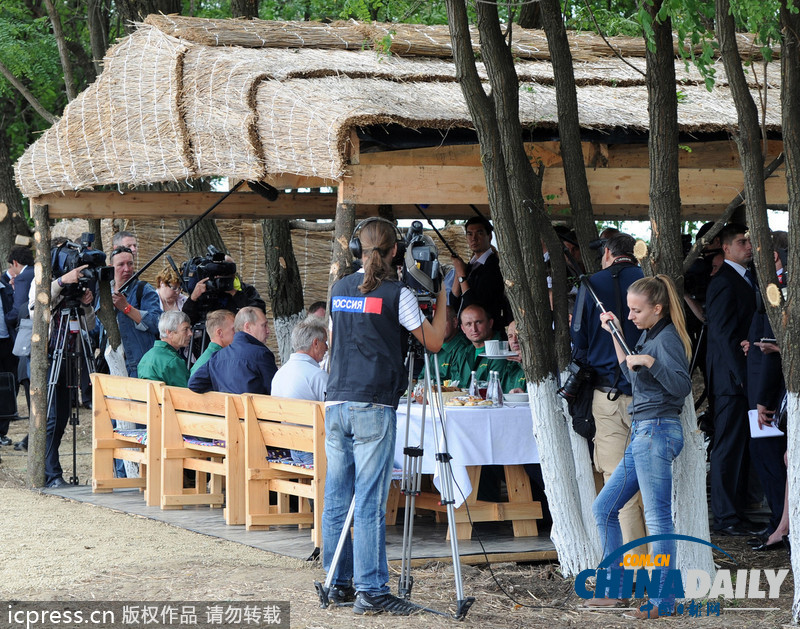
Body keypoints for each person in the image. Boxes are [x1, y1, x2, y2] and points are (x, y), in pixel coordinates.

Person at [322, 217, 447, 615]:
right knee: (371, 500)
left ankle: (337, 582)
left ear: (358, 250)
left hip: (337, 402)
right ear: (396, 252)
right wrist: (442, 294)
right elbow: (435, 342)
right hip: (374, 404)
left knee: (337, 498)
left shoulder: (338, 290)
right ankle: (372, 589)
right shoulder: (399, 295)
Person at [592, 275, 692, 619]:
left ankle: (664, 603)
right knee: (604, 508)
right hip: (643, 434)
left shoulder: (666, 341)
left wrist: (649, 362)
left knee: (658, 518)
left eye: (636, 310)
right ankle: (614, 590)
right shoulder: (651, 335)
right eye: (629, 311)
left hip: (658, 432)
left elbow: (681, 386)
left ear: (657, 308)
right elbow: (630, 371)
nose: (631, 315)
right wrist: (616, 333)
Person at [569, 232, 647, 556]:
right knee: (650, 489)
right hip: (651, 397)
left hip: (610, 394)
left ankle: (638, 570)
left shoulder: (591, 286)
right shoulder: (651, 283)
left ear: (608, 253)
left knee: (619, 487)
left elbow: (580, 345)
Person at [705, 223, 759, 536]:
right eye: (741, 242)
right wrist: (742, 378)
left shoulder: (745, 278)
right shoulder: (724, 281)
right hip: (730, 380)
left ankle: (735, 512)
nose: (748, 246)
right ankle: (725, 516)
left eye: (750, 242)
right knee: (727, 446)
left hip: (741, 376)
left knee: (741, 446)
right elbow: (724, 335)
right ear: (726, 248)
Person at [41, 263, 97, 488]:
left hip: (68, 361)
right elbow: (37, 306)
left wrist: (87, 306)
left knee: (62, 418)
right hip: (47, 361)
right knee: (52, 418)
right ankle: (51, 473)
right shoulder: (46, 285)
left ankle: (51, 469)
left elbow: (89, 325)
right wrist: (62, 282)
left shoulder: (77, 292)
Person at [270, 315, 329, 465]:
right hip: (313, 451)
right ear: (315, 343)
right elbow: (334, 419)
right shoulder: (317, 376)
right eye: (325, 342)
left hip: (290, 447)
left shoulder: (279, 374)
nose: (327, 347)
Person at [188, 306, 277, 395]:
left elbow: (194, 384)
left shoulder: (217, 356)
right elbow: (276, 392)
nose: (268, 330)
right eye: (264, 325)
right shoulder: (261, 354)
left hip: (227, 408)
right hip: (256, 408)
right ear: (248, 327)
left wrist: (221, 389)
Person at [450, 216, 510, 332]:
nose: (474, 238)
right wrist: (459, 271)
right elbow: (453, 301)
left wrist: (462, 274)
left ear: (490, 236)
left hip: (487, 332)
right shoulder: (471, 265)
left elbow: (473, 306)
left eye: (479, 233)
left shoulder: (494, 265)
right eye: (470, 234)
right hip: (467, 332)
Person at [109, 246, 162, 378]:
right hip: (112, 365)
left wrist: (127, 308)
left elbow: (157, 324)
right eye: (121, 264)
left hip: (139, 367)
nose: (127, 269)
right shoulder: (103, 291)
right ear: (111, 267)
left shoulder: (144, 290)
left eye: (130, 264)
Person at [182, 255, 266, 325]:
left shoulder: (245, 289)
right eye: (217, 274)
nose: (221, 278)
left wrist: (235, 293)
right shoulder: (205, 291)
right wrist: (193, 298)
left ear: (233, 275)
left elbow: (259, 313)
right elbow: (187, 321)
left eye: (226, 274)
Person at [137, 311, 193, 387]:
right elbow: (187, 393)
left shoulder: (146, 356)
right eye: (185, 329)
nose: (190, 333)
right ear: (169, 332)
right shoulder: (173, 361)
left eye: (190, 329)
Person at [190, 310, 235, 375]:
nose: (238, 332)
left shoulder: (206, 360)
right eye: (233, 329)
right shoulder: (216, 361)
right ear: (220, 333)